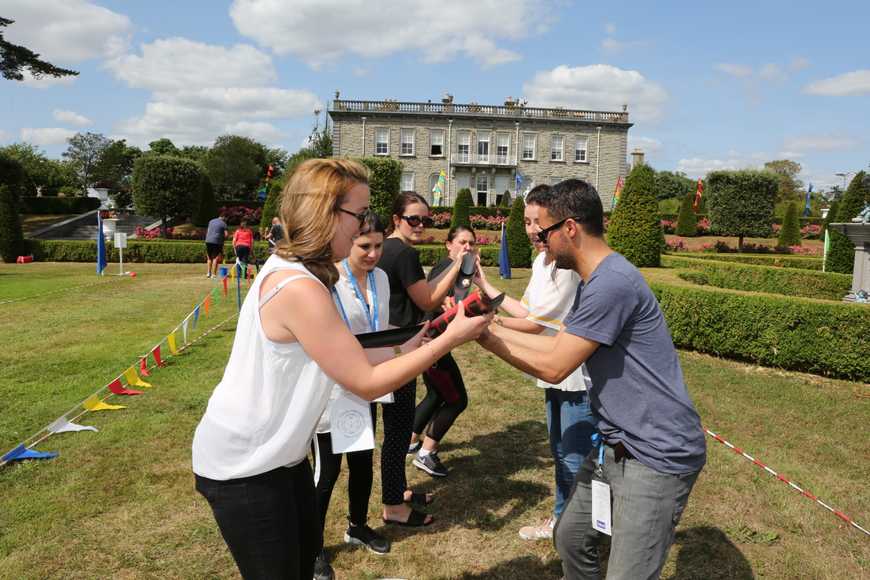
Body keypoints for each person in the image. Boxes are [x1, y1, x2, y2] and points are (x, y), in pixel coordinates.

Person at [191, 159, 491, 580]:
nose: (364, 226)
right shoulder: (299, 286)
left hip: (281, 458)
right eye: (359, 214)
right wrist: (450, 338)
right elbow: (365, 382)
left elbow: (349, 352)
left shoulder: (301, 270)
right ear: (325, 212)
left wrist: (408, 345)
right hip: (246, 467)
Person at [477, 179, 706, 580]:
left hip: (655, 454)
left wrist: (486, 338)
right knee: (571, 538)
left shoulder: (611, 284)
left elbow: (555, 367)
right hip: (617, 446)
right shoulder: (595, 280)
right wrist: (487, 328)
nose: (541, 241)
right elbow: (556, 345)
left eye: (545, 232)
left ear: (569, 228)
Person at [475, 184, 595, 542]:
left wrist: (487, 326)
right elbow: (526, 310)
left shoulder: (566, 266)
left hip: (575, 374)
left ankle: (576, 531)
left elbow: (534, 324)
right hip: (553, 368)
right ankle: (565, 521)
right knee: (560, 451)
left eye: (537, 222)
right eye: (526, 221)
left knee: (574, 457)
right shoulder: (542, 262)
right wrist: (484, 288)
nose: (531, 230)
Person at [376, 192, 468, 526]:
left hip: (388, 345)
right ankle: (393, 506)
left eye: (425, 220)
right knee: (399, 430)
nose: (420, 225)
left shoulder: (385, 248)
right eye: (413, 219)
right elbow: (427, 299)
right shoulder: (403, 253)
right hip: (401, 349)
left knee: (398, 428)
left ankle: (398, 491)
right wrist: (457, 264)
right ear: (396, 219)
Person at [312, 212, 392, 580]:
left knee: (361, 462)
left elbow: (379, 327)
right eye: (364, 246)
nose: (373, 253)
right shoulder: (328, 280)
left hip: (364, 386)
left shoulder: (382, 279)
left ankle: (357, 526)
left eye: (378, 245)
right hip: (329, 390)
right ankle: (312, 547)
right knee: (327, 472)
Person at [409, 225, 476, 478]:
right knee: (457, 400)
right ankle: (426, 454)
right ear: (449, 245)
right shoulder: (447, 268)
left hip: (431, 341)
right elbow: (440, 303)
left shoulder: (458, 269)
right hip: (431, 343)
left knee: (436, 394)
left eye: (471, 243)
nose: (467, 247)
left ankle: (410, 440)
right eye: (462, 242)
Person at [204, 212, 227, 278]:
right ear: (223, 217)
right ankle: (213, 274)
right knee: (215, 258)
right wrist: (222, 240)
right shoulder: (223, 223)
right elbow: (226, 234)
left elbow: (208, 231)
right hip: (216, 241)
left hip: (208, 240)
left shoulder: (211, 221)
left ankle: (208, 273)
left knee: (209, 257)